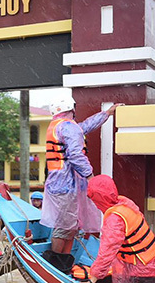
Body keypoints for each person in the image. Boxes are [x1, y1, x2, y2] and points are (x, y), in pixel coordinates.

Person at [40, 97, 121, 271]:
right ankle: (56, 265)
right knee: (65, 226)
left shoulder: (60, 125)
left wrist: (106, 113)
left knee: (70, 226)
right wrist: (91, 177)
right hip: (66, 185)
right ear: (72, 108)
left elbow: (84, 127)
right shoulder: (67, 126)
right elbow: (75, 154)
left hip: (61, 184)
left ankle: (64, 263)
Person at [73, 176, 155, 283]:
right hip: (151, 264)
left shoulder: (115, 219)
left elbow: (106, 252)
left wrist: (91, 280)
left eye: (93, 198)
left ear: (98, 198)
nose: (93, 203)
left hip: (142, 271)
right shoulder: (125, 204)